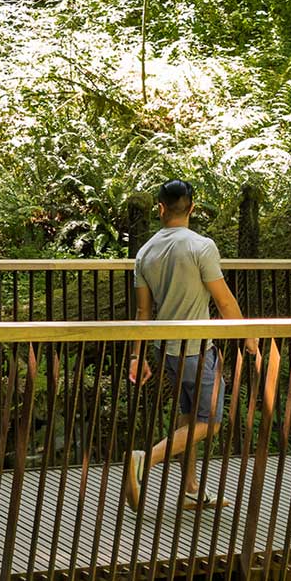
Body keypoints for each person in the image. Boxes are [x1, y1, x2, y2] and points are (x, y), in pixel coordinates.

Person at [123, 179, 258, 513]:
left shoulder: (145, 252)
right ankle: (145, 459)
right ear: (192, 208)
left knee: (188, 417)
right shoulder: (201, 246)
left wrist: (137, 356)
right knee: (210, 421)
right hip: (197, 349)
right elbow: (224, 301)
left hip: (164, 349)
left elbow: (143, 311)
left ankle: (191, 489)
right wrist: (249, 335)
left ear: (161, 208)